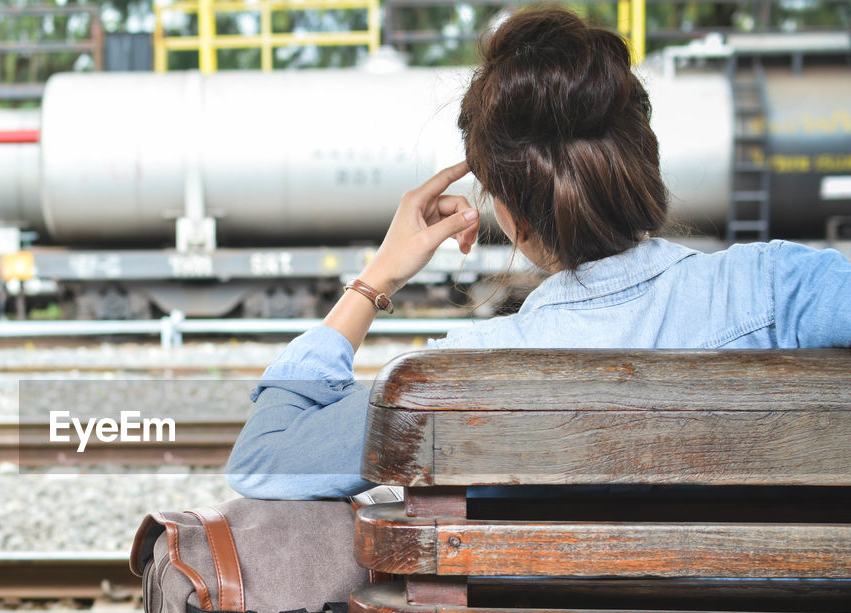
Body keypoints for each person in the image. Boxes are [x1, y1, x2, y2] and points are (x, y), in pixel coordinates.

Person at [226, 6, 851, 501]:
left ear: (512, 213)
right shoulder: (777, 289)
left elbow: (264, 461)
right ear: (643, 162)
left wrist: (376, 278)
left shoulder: (454, 377)